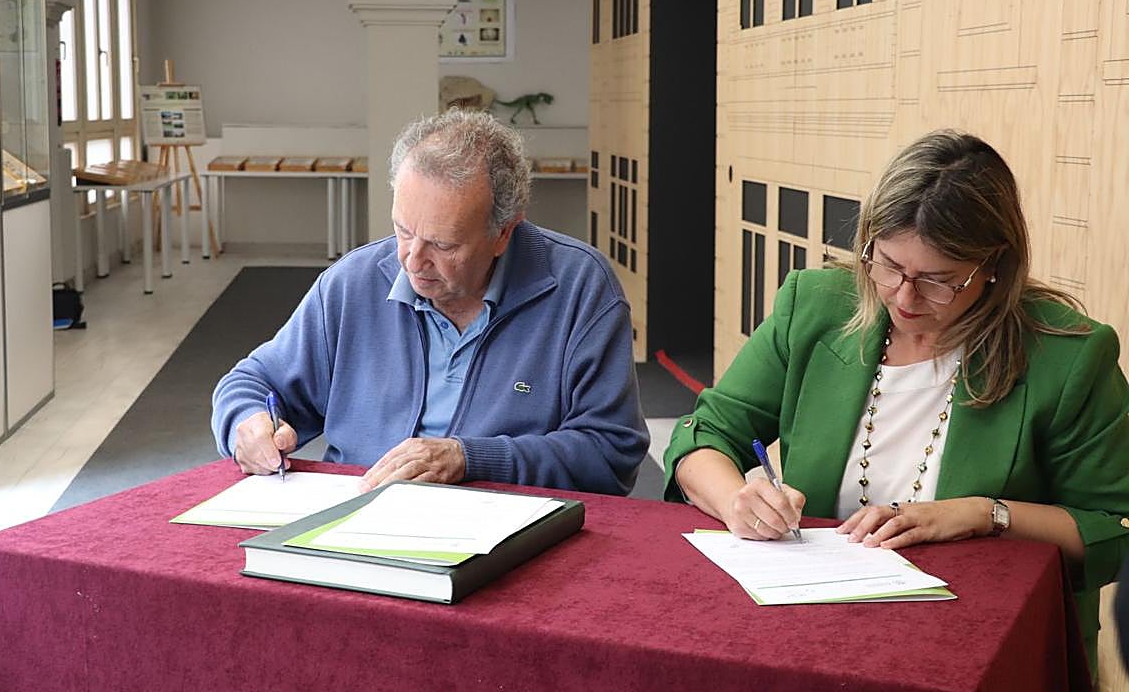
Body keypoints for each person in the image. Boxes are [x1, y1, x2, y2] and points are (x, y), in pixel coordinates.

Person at [663, 130, 1129, 671]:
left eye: (938, 280)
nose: (904, 297)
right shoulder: (815, 308)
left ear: (994, 266)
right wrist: (734, 502)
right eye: (887, 264)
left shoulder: (1067, 355)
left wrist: (985, 515)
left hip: (983, 645)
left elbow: (1113, 528)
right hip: (808, 628)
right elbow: (705, 435)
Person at [212, 109, 647, 496]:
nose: (412, 260)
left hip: (507, 531)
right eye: (403, 231)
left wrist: (470, 459)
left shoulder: (579, 288)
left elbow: (611, 451)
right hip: (359, 520)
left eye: (443, 244)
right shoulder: (353, 283)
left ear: (503, 233)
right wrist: (245, 422)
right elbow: (251, 382)